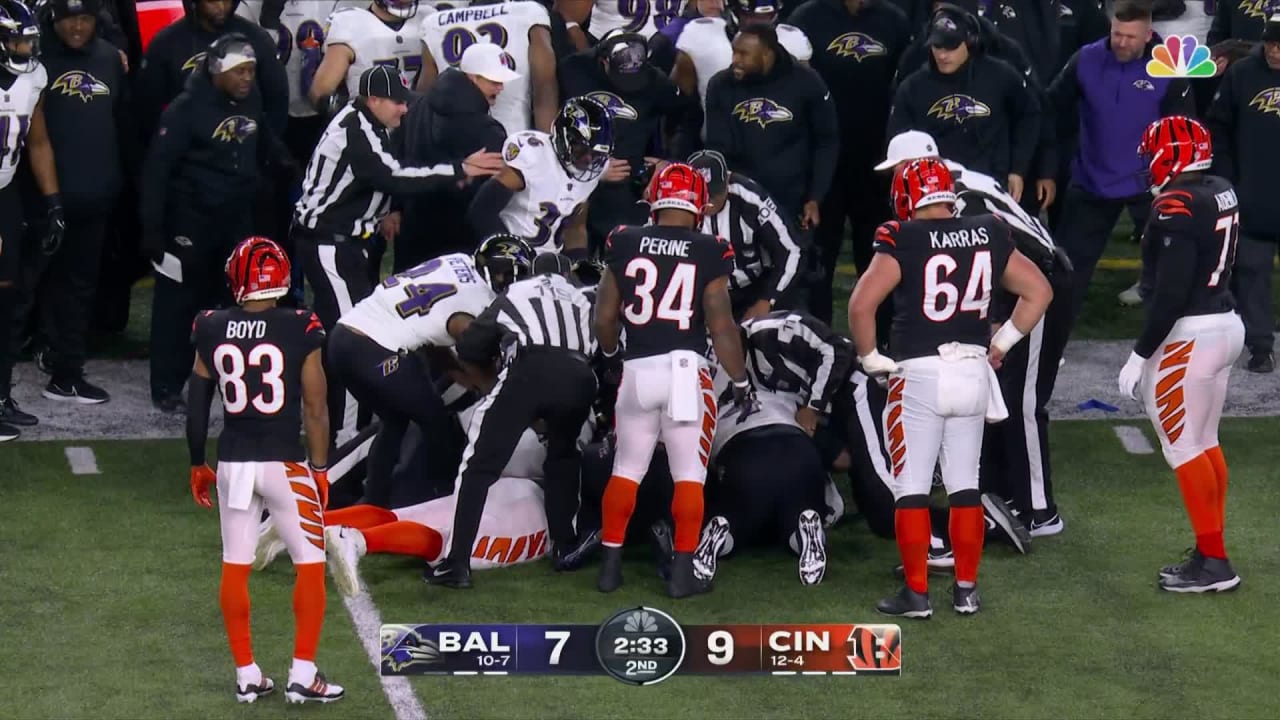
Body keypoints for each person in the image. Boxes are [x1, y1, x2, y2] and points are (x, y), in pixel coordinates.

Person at [847, 158, 1051, 618]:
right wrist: (1002, 343)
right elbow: (1038, 290)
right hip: (973, 372)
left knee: (912, 488)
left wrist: (870, 358)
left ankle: (917, 594)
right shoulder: (989, 230)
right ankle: (966, 590)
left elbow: (861, 306)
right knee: (964, 486)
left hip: (919, 374)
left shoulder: (901, 237)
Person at [292, 64, 502, 443]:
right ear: (374, 100)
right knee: (349, 336)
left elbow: (377, 179)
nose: (404, 110)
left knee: (355, 332)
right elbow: (391, 174)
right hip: (328, 244)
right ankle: (343, 438)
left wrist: (391, 210)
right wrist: (459, 169)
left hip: (347, 244)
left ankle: (356, 426)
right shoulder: (357, 128)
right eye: (396, 103)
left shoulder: (369, 123)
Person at [875, 129, 1071, 536]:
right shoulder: (959, 188)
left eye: (899, 172)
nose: (896, 184)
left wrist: (998, 325)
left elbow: (1024, 258)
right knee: (995, 394)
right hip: (1012, 291)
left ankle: (1040, 510)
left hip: (1037, 287)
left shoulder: (963, 202)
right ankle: (1003, 492)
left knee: (1023, 401)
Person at [186, 237, 342, 704]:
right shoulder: (301, 325)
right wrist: (319, 468)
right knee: (310, 566)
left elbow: (196, 406)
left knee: (235, 566)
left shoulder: (210, 325)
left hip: (234, 461)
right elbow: (316, 408)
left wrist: (198, 462)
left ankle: (247, 674)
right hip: (284, 463)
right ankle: (303, 672)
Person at [592, 162, 758, 598]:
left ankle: (610, 568)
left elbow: (604, 316)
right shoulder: (710, 248)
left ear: (655, 199)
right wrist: (740, 381)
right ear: (699, 205)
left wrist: (611, 358)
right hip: (686, 373)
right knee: (688, 475)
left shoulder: (624, 240)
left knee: (626, 469)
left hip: (638, 369)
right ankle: (682, 576)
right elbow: (721, 325)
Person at [1117, 116, 1244, 594]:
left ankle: (1214, 562)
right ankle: (1211, 552)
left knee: (1185, 447)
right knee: (1205, 442)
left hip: (1191, 332)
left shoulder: (1177, 205)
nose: (1149, 165)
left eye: (1153, 154)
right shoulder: (1220, 188)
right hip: (1225, 324)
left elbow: (1169, 294)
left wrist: (1140, 354)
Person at [424, 240, 598, 589]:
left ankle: (457, 562)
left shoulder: (518, 291)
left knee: (478, 466)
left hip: (531, 370)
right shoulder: (583, 298)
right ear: (566, 276)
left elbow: (470, 345)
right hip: (580, 378)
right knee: (563, 457)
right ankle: (564, 545)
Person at [141, 35, 294, 413]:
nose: (247, 78)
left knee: (233, 302)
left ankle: (231, 378)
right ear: (217, 71)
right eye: (239, 71)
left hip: (235, 217)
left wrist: (284, 162)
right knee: (178, 304)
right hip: (190, 222)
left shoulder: (251, 99)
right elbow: (155, 172)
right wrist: (153, 232)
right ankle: (166, 384)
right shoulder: (184, 110)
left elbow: (260, 135)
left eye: (251, 70)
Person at [327, 240, 511, 507]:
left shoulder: (457, 259)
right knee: (433, 419)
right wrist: (488, 385)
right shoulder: (481, 302)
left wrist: (455, 370)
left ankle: (374, 500)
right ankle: (436, 494)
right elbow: (467, 341)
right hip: (375, 348)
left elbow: (429, 328)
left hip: (345, 336)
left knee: (395, 419)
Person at [1048, 0, 1195, 327]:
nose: (1122, 42)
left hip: (1150, 183)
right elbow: (1051, 108)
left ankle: (1175, 334)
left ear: (1148, 35)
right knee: (1069, 268)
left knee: (1177, 261)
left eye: (1131, 36)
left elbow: (1183, 129)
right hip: (1092, 179)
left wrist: (1175, 183)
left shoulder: (1168, 68)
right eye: (1117, 34)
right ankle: (1054, 339)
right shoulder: (1086, 58)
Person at [19, 0, 131, 405]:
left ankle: (67, 372)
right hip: (42, 197)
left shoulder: (109, 59)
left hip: (95, 195)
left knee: (80, 288)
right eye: (69, 19)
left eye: (85, 18)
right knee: (24, 288)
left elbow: (120, 122)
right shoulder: (35, 60)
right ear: (54, 19)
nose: (77, 26)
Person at [692, 310, 852, 587]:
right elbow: (842, 460)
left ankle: (722, 524)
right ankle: (806, 523)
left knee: (736, 517)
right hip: (796, 447)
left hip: (742, 454)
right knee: (797, 511)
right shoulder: (785, 399)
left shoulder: (711, 402)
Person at [787, 0, 911, 322]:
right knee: (819, 252)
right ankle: (819, 335)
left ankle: (881, 338)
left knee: (877, 249)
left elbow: (907, 84)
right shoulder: (807, 16)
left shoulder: (894, 20)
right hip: (821, 159)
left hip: (875, 157)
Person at [887, 5, 1041, 207]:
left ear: (970, 41)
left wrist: (1018, 170)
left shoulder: (1001, 76)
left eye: (951, 47)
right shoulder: (912, 87)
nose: (942, 55)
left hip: (993, 188)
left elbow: (1030, 114)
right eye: (937, 46)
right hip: (935, 195)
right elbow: (897, 141)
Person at [559, 30, 701, 248]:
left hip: (624, 184)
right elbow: (552, 123)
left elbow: (689, 114)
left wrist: (669, 162)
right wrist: (589, 167)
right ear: (603, 59)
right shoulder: (572, 70)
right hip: (570, 176)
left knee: (621, 249)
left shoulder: (654, 81)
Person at [704, 24, 837, 231]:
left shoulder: (807, 82)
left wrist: (815, 197)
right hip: (739, 198)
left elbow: (826, 141)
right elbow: (717, 147)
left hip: (792, 200)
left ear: (767, 54)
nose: (735, 60)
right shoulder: (720, 85)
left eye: (744, 54)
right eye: (734, 52)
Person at [1204, 15, 1280, 373]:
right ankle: (1260, 346)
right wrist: (1228, 181)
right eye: (1270, 44)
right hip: (1253, 192)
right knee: (1251, 272)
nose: (1275, 51)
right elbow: (1217, 130)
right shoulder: (1241, 74)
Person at [394, 41, 514, 267]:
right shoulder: (488, 130)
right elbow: (486, 201)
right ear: (472, 77)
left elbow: (399, 158)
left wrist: (396, 208)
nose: (500, 88)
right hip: (458, 243)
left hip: (412, 229)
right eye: (494, 81)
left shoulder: (416, 105)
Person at [0, 0, 61, 441]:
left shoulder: (34, 77)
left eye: (29, 40)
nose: (25, 48)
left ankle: (1, 395)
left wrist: (53, 202)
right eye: (18, 40)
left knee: (7, 302)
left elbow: (37, 143)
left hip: (5, 193)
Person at [467, 95, 614, 259]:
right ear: (565, 138)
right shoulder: (534, 156)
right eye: (582, 150)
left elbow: (575, 230)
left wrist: (577, 270)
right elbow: (482, 210)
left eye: (595, 154)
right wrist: (512, 255)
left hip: (548, 264)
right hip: (507, 254)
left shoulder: (592, 172)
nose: (588, 159)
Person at [136, 0, 288, 139]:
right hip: (187, 160)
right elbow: (147, 112)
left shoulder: (257, 39)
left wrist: (259, 152)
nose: (221, 7)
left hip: (243, 157)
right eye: (212, 1)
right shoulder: (165, 44)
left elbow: (277, 101)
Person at [687, 149, 804, 319]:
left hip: (752, 288)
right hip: (697, 293)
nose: (709, 204)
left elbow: (791, 250)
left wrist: (766, 300)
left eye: (714, 195)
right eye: (702, 196)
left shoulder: (751, 199)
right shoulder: (677, 202)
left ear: (727, 181)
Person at [673, 0, 814, 137]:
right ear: (735, 10)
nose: (760, 25)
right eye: (752, 17)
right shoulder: (700, 36)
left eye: (767, 17)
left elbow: (811, 104)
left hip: (781, 144)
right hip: (720, 146)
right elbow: (677, 103)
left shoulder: (794, 41)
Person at [417, 0, 559, 134]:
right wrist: (548, 144)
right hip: (515, 141)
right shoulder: (528, 11)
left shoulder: (434, 23)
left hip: (455, 145)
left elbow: (423, 103)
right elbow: (544, 89)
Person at [306, 0, 424, 114]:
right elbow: (319, 94)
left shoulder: (426, 18)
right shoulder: (350, 23)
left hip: (414, 121)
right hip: (366, 123)